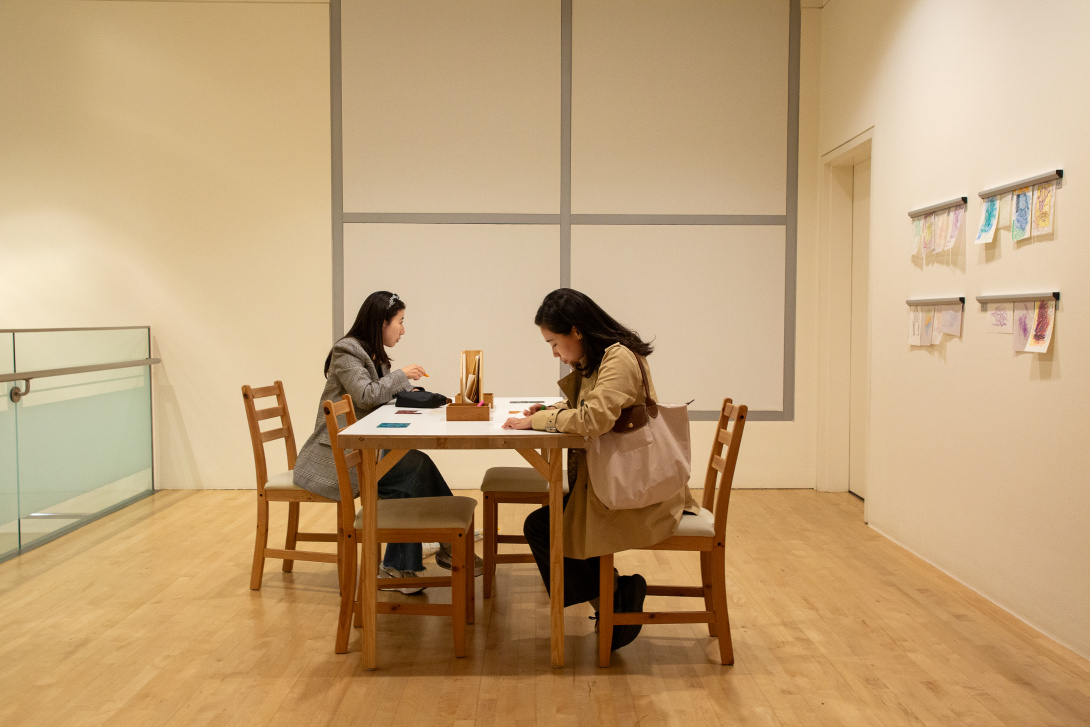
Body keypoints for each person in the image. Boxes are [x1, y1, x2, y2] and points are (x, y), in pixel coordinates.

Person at [503, 288, 699, 651]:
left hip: (638, 492)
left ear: (576, 330)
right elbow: (591, 407)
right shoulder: (601, 359)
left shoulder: (618, 358)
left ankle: (613, 597)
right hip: (615, 483)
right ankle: (613, 597)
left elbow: (593, 419)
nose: (554, 353)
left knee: (547, 526)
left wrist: (542, 420)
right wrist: (549, 412)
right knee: (550, 524)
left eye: (554, 342)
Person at [294, 290, 482, 594]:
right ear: (383, 322)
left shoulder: (371, 352)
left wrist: (410, 392)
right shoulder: (347, 351)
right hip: (340, 456)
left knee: (410, 469)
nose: (403, 330)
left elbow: (379, 395)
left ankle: (404, 565)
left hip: (365, 448)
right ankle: (448, 544)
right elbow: (366, 394)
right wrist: (401, 375)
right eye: (400, 322)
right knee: (415, 466)